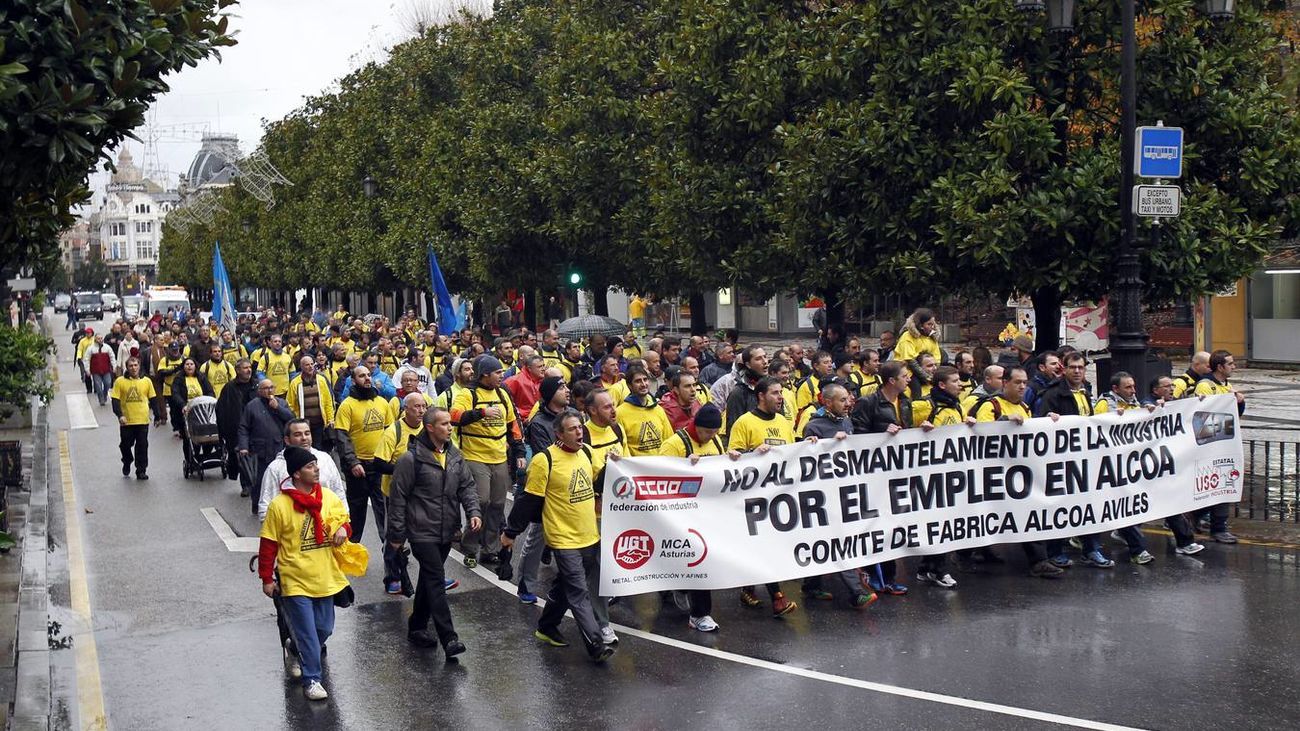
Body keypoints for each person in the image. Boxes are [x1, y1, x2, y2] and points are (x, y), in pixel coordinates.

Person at [502, 412, 615, 663]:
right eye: (572, 429)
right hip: (563, 538)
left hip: (589, 535)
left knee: (566, 586)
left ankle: (546, 626)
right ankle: (596, 642)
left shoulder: (586, 452)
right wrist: (511, 532)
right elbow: (529, 500)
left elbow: (601, 476)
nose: (579, 432)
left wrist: (615, 464)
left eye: (580, 428)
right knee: (578, 589)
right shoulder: (545, 460)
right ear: (559, 434)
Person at [257, 446, 352, 701]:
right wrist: (267, 578)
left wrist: (344, 528)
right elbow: (268, 544)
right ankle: (312, 680)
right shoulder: (279, 505)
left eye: (316, 465)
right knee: (309, 634)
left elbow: (344, 521)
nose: (317, 469)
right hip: (295, 579)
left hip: (326, 576)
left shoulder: (329, 497)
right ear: (297, 474)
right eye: (311, 467)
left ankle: (295, 648)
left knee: (324, 629)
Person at [387, 407, 480, 658]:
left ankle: (417, 626)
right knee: (436, 579)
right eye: (444, 424)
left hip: (446, 530)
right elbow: (398, 499)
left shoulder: (454, 455)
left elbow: (467, 486)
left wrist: (474, 512)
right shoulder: (411, 459)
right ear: (430, 427)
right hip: (421, 531)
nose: (450, 428)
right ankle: (449, 637)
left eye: (451, 424)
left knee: (429, 580)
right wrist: (396, 537)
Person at [794, 383, 879, 608]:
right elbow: (806, 459)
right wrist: (820, 445)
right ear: (828, 402)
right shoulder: (814, 426)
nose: (848, 403)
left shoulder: (847, 421)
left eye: (848, 399)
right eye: (842, 400)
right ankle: (856, 593)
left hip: (843, 492)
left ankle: (811, 586)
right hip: (822, 497)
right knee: (838, 541)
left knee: (827, 540)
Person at [726, 376, 800, 617]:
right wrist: (751, 454)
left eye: (781, 393)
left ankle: (748, 588)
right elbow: (732, 457)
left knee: (766, 546)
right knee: (763, 545)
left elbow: (790, 456)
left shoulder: (783, 421)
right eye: (775, 393)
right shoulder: (744, 422)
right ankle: (777, 597)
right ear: (761, 396)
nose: (781, 398)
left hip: (778, 496)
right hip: (753, 498)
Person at [450, 355, 525, 568]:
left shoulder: (502, 394)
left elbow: (513, 426)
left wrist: (519, 453)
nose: (502, 376)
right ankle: (470, 546)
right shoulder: (468, 394)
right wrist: (481, 412)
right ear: (485, 374)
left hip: (499, 456)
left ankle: (489, 549)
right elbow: (454, 417)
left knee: (498, 504)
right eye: (498, 372)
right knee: (481, 501)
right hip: (474, 457)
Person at [849, 362, 915, 594]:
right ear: (891, 381)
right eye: (905, 376)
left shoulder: (905, 402)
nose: (909, 379)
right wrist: (881, 435)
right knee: (873, 526)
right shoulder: (869, 402)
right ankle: (869, 573)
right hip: (874, 474)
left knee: (893, 526)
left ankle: (888, 577)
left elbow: (908, 431)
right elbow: (856, 435)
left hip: (897, 472)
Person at [334, 365, 402, 590]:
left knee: (384, 509)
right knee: (358, 510)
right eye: (361, 376)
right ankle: (351, 550)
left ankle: (390, 551)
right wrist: (352, 462)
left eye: (368, 376)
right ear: (353, 381)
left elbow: (391, 433)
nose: (366, 379)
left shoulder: (382, 403)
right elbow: (342, 437)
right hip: (358, 467)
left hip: (379, 464)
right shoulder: (347, 406)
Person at [1193, 350, 1245, 544]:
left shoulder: (1226, 385)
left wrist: (1239, 402)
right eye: (1230, 364)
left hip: (1224, 444)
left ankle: (1207, 521)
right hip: (1209, 446)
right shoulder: (1206, 386)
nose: (1234, 367)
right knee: (1216, 486)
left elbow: (1234, 415)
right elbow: (1202, 415)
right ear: (1220, 367)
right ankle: (1216, 527)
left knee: (1223, 486)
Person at [258, 419, 347, 520]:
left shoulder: (325, 459)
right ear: (287, 440)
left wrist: (343, 523)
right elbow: (265, 507)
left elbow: (339, 494)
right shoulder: (275, 468)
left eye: (307, 433)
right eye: (297, 435)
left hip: (326, 528)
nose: (304, 438)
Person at [239, 379, 295, 514]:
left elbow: (291, 419)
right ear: (259, 391)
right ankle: (257, 505)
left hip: (278, 448)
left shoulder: (281, 403)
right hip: (259, 450)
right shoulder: (252, 406)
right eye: (266, 388)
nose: (269, 390)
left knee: (280, 478)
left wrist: (278, 408)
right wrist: (243, 446)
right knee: (259, 481)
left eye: (271, 387)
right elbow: (244, 427)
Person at [110, 357, 155, 480]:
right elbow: (115, 400)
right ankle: (127, 459)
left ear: (139, 366)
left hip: (142, 420)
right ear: (127, 367)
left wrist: (158, 415)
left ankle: (141, 470)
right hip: (127, 421)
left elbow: (153, 398)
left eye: (135, 365)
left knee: (142, 446)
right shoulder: (120, 382)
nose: (133, 368)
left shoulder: (146, 381)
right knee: (125, 444)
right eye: (131, 366)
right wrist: (120, 415)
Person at [616, 365, 674, 456]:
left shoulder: (658, 409)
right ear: (629, 385)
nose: (643, 384)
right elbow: (622, 447)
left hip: (661, 466)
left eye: (645, 379)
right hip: (636, 468)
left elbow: (669, 440)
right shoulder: (620, 413)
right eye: (638, 381)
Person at [287, 355, 336, 453]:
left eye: (312, 364)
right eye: (307, 365)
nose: (310, 367)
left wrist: (330, 420)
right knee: (304, 448)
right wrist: (295, 420)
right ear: (301, 367)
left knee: (317, 449)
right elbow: (290, 404)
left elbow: (328, 402)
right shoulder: (295, 383)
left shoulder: (321, 380)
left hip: (319, 423)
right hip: (304, 423)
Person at [83, 334, 117, 407]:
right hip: (96, 371)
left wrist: (114, 366)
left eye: (101, 338)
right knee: (98, 386)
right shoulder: (91, 349)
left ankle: (105, 395)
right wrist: (87, 370)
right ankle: (101, 399)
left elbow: (112, 357)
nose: (100, 340)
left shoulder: (107, 347)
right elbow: (86, 359)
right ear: (95, 339)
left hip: (106, 370)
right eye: (98, 338)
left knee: (108, 383)